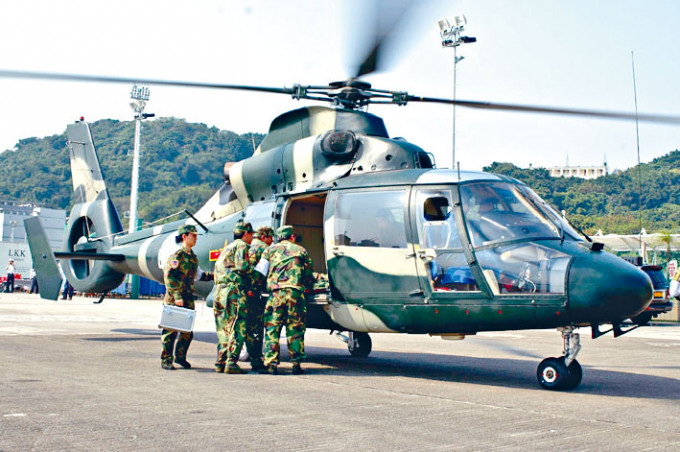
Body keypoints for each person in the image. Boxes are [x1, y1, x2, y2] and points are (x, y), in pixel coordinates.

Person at [258, 225, 314, 375]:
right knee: (295, 329)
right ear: (292, 236)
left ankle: (271, 365)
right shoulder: (301, 251)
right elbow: (309, 274)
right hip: (295, 295)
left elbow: (260, 272)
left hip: (276, 294)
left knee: (272, 329)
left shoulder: (269, 250)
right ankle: (296, 364)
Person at [161, 224, 213, 370]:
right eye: (193, 235)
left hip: (188, 298)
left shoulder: (193, 258)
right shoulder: (177, 256)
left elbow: (199, 275)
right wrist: (177, 296)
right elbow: (169, 277)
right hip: (175, 299)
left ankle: (180, 357)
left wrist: (216, 275)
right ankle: (166, 359)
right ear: (184, 236)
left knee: (187, 332)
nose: (195, 238)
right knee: (170, 331)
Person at [213, 222, 254, 374]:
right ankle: (231, 362)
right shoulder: (242, 246)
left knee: (223, 328)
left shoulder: (227, 249)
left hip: (220, 291)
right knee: (238, 326)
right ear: (246, 234)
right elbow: (243, 267)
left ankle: (220, 361)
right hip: (233, 291)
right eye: (251, 234)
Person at [244, 225, 274, 372]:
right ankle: (256, 360)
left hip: (241, 293)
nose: (272, 241)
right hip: (254, 294)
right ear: (264, 237)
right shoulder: (264, 249)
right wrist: (254, 289)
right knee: (256, 328)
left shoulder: (246, 247)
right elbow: (260, 273)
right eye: (270, 238)